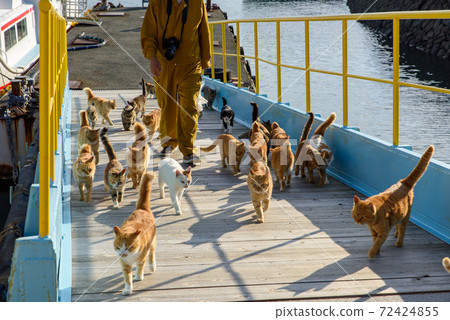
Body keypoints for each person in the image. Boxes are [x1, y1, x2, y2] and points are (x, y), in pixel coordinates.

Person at [141, 0, 211, 165]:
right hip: (164, 64)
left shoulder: (197, 2)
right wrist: (152, 57)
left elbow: (204, 32)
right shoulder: (157, 3)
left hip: (191, 64)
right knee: (168, 106)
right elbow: (148, 32)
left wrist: (205, 61)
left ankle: (188, 148)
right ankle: (168, 143)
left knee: (189, 106)